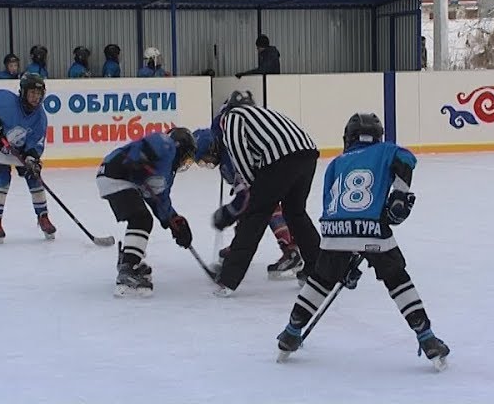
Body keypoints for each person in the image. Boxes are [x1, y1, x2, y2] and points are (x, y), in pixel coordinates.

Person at [275, 113, 450, 370]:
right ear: (377, 136)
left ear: (348, 138)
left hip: (335, 232)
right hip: (372, 228)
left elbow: (330, 203)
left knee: (320, 282)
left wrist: (342, 255)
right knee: (397, 280)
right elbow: (406, 158)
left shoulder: (335, 163)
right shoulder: (386, 150)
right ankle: (427, 338)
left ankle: (291, 333)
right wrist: (399, 196)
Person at [210, 90, 321, 297]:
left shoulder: (231, 117)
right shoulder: (261, 113)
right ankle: (318, 271)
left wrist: (253, 186)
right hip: (308, 154)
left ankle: (228, 280)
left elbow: (239, 151)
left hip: (280, 159)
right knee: (296, 213)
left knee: (254, 216)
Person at [193, 120, 304, 280]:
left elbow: (245, 197)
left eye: (207, 158)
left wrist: (228, 213)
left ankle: (291, 250)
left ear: (214, 148)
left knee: (267, 205)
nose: (209, 162)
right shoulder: (223, 142)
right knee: (254, 205)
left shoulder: (231, 158)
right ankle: (242, 246)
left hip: (277, 168)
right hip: (279, 165)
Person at [95, 127, 197, 297]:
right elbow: (150, 143)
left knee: (141, 218)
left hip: (119, 180)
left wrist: (174, 221)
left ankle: (128, 259)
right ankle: (128, 268)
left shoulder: (167, 174)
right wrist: (139, 157)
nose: (184, 162)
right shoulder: (166, 144)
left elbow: (160, 201)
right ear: (180, 147)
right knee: (141, 219)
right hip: (115, 174)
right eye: (186, 156)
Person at [0, 73, 57, 243]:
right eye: (32, 93)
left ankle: (43, 217)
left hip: (20, 150)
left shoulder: (40, 117)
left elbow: (36, 143)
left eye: (39, 94)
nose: (36, 98)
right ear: (23, 92)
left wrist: (31, 158)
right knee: (3, 177)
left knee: (35, 178)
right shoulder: (5, 100)